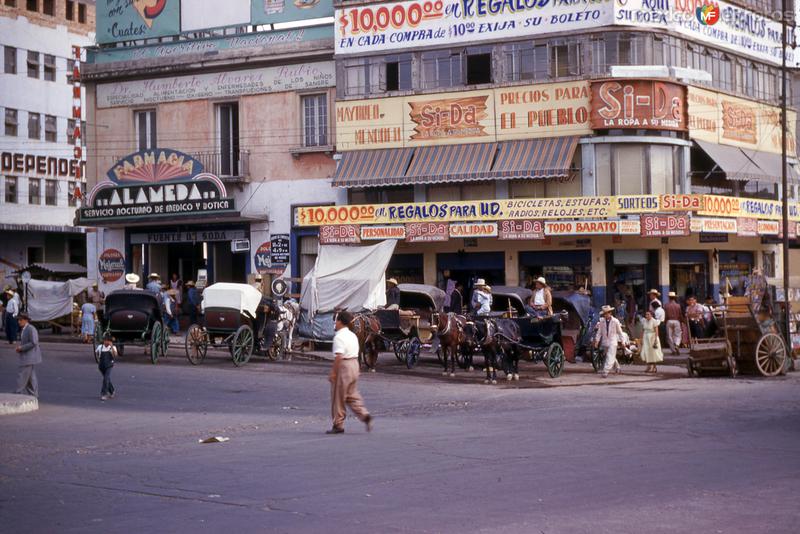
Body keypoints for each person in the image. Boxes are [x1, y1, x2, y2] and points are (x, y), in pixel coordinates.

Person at [327, 310, 372, 434]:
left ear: (340, 322)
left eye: (336, 320)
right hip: (354, 364)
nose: (335, 323)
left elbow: (339, 357)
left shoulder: (339, 336)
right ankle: (364, 414)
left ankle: (338, 424)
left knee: (338, 397)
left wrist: (334, 373)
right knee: (352, 395)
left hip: (344, 366)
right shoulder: (352, 335)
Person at [594, 305, 625, 378]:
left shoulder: (615, 321)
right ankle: (617, 367)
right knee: (611, 355)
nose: (606, 315)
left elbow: (620, 332)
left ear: (610, 313)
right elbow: (599, 332)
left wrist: (623, 341)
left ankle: (605, 371)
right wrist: (597, 341)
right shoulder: (602, 321)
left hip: (613, 341)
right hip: (605, 341)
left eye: (607, 313)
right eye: (605, 313)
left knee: (610, 356)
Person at [14, 313, 41, 397]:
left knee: (22, 375)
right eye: (18, 320)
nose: (19, 322)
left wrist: (21, 348)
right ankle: (34, 394)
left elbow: (34, 342)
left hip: (29, 356)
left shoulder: (31, 329)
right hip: (28, 356)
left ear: (26, 320)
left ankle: (18, 393)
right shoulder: (25, 329)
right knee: (30, 378)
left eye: (20, 320)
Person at [639, 309, 664, 373]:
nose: (647, 316)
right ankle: (649, 366)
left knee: (653, 352)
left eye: (648, 314)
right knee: (646, 351)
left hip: (652, 337)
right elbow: (643, 330)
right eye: (646, 314)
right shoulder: (644, 321)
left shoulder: (654, 321)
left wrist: (655, 340)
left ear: (651, 315)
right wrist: (641, 339)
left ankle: (654, 366)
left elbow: (656, 331)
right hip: (646, 337)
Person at [95, 334, 118, 401]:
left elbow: (115, 355)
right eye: (105, 341)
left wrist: (111, 346)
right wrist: (99, 360)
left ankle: (104, 394)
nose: (106, 342)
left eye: (108, 341)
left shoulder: (112, 347)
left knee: (105, 378)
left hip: (109, 365)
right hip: (101, 366)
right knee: (107, 379)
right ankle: (112, 390)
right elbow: (96, 353)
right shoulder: (100, 347)